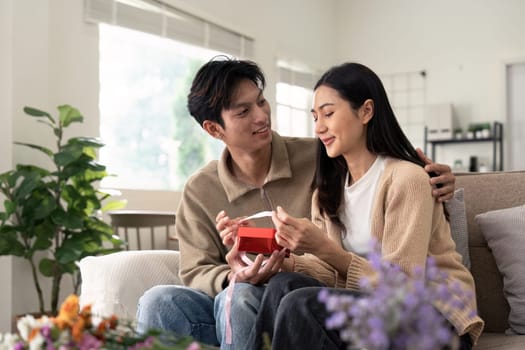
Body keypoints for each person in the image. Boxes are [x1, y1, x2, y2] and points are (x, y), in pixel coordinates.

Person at [135, 56, 457, 349]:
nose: (262, 116)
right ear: (214, 128)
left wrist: (441, 181)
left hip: (404, 308)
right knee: (158, 302)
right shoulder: (200, 190)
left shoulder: (323, 158)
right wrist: (245, 265)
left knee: (262, 298)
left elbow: (387, 169)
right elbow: (195, 271)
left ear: (366, 111)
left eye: (261, 102)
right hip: (264, 294)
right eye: (244, 111)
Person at [244, 62, 484, 349]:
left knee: (302, 304)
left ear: (366, 111)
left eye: (329, 113)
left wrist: (325, 247)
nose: (319, 127)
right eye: (315, 117)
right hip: (376, 315)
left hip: (435, 320)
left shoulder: (406, 179)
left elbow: (403, 287)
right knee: (283, 286)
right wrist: (277, 259)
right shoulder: (326, 192)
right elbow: (331, 271)